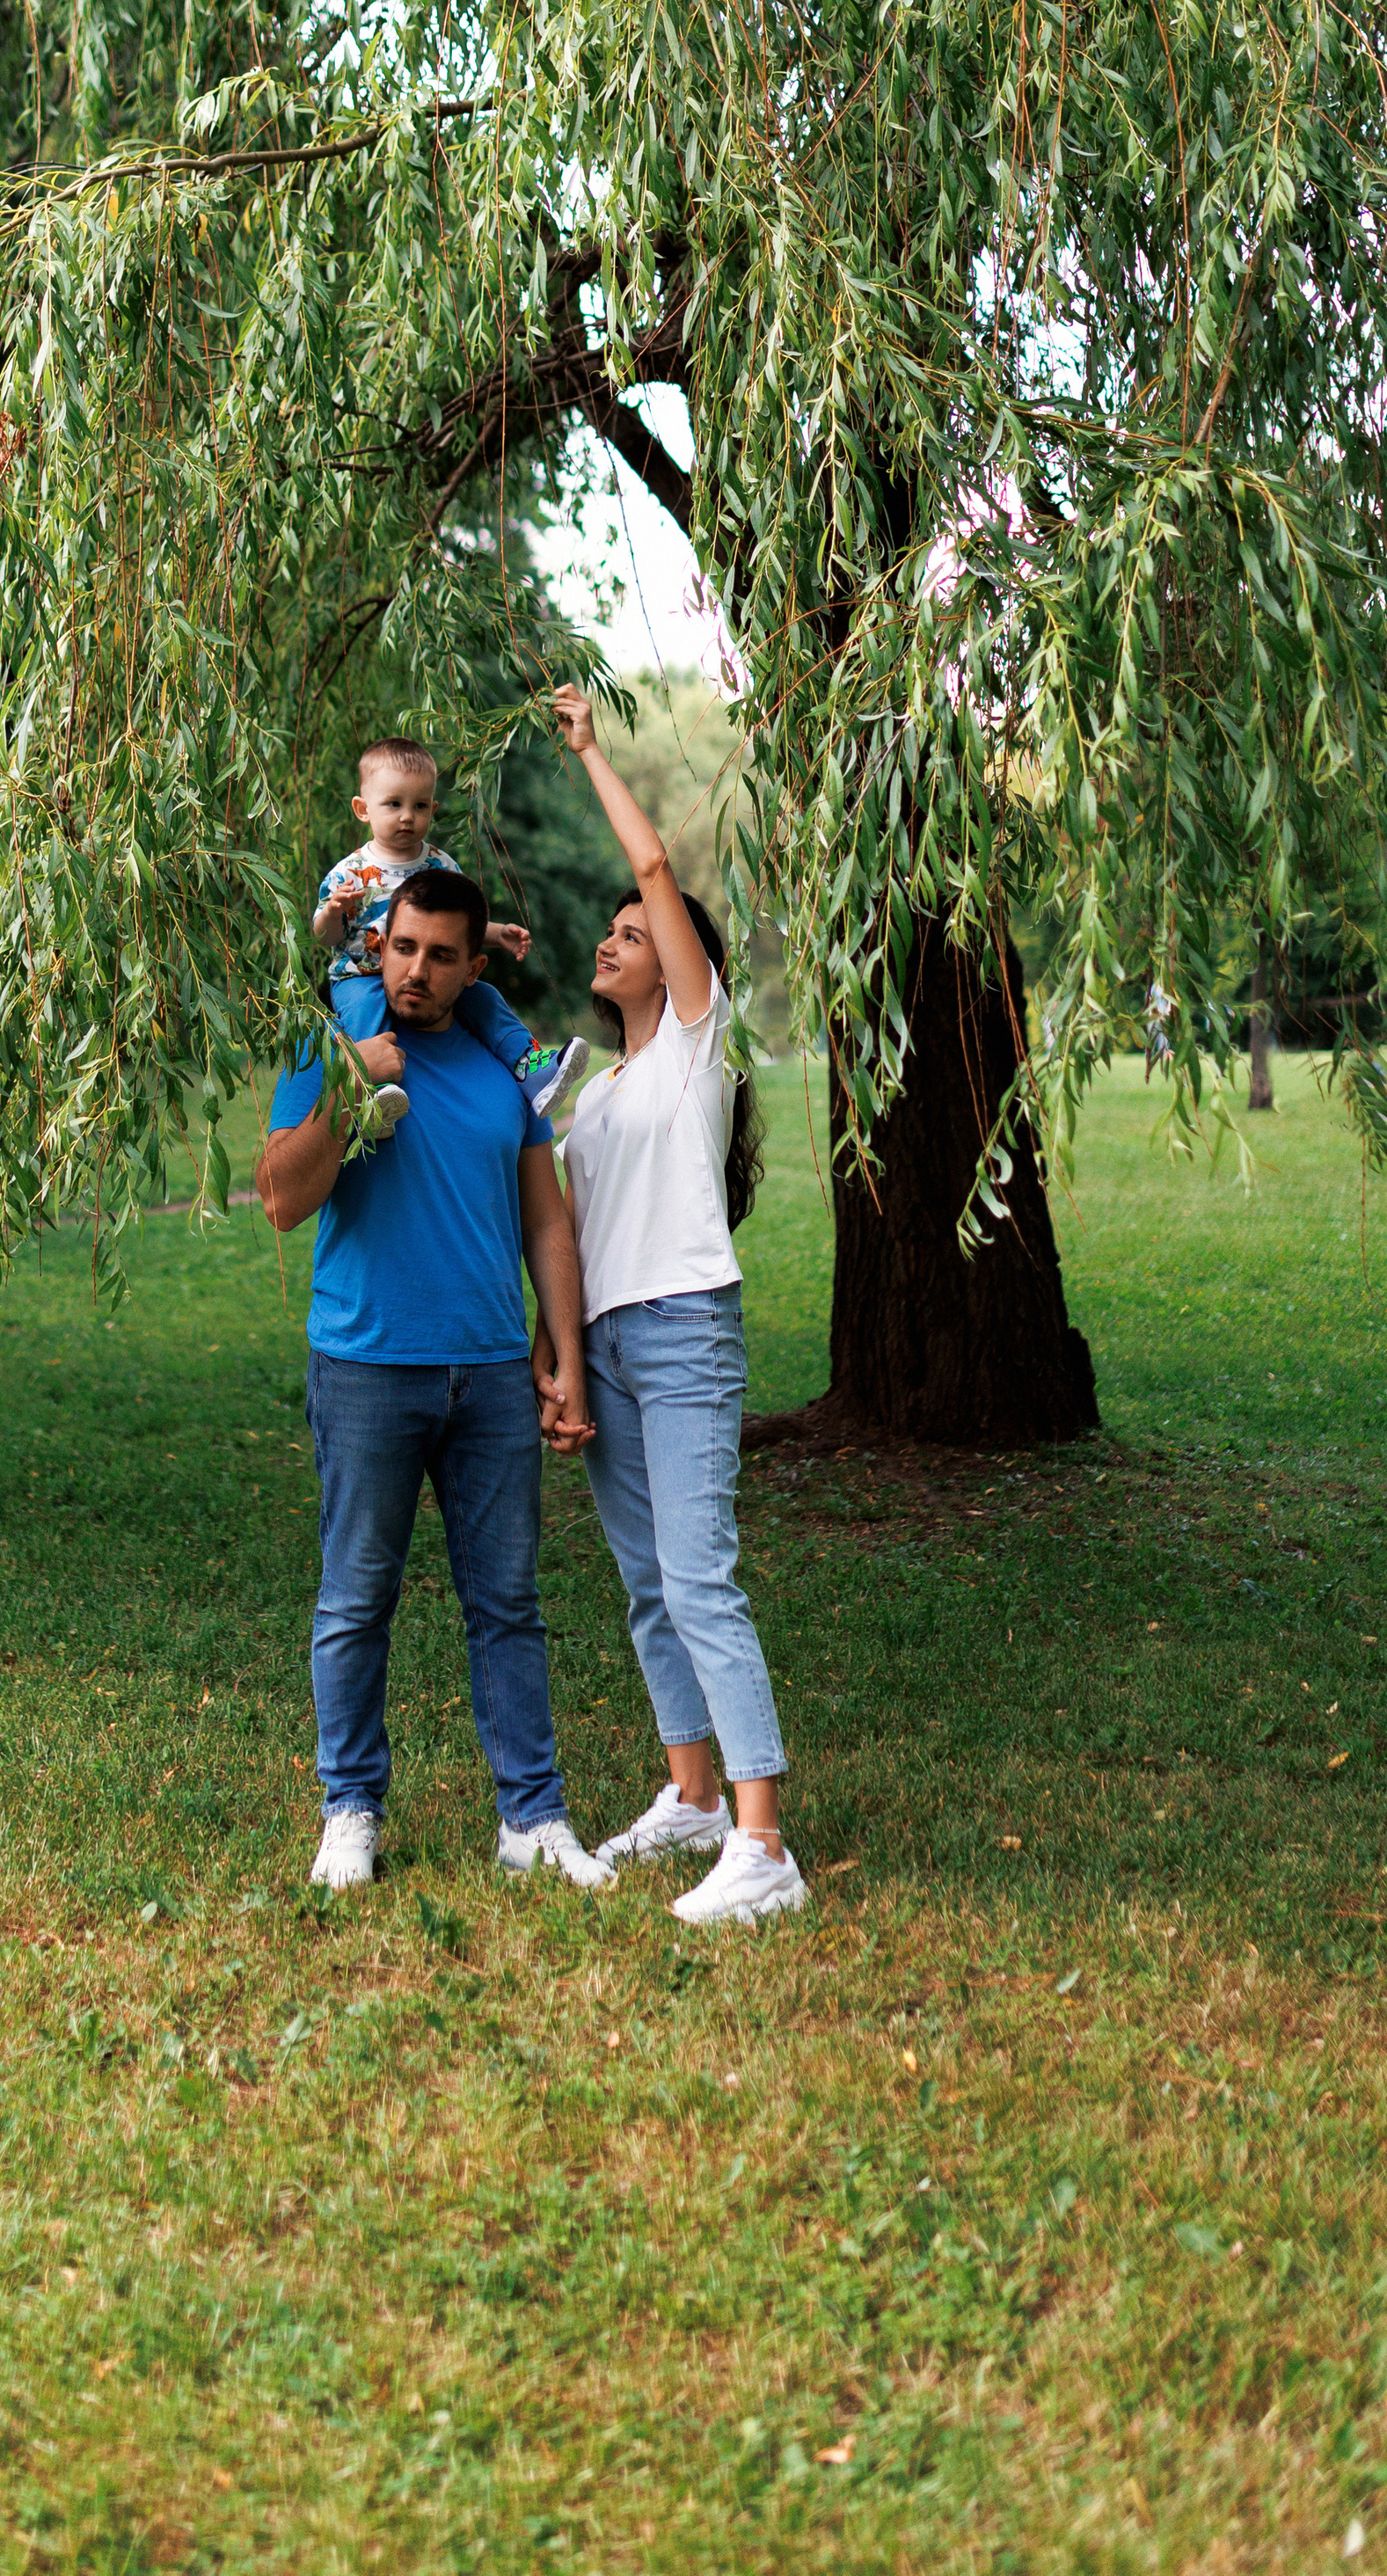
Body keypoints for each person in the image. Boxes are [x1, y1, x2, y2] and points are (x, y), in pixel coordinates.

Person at [259, 864, 615, 1896]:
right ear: (379, 945)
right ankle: (349, 1812)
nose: (416, 970)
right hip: (368, 1368)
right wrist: (351, 1088)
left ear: (472, 965)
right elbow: (281, 1200)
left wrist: (565, 1359)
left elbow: (545, 1218)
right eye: (402, 948)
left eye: (441, 956)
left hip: (493, 1374)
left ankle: (532, 1820)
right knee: (354, 1600)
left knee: (506, 1603)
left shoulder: (509, 1075)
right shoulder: (333, 1044)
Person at [533, 685, 807, 1927]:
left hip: (686, 1329)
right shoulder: (593, 1094)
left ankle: (763, 1847)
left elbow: (651, 859)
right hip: (606, 1340)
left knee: (700, 1576)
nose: (613, 937)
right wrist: (561, 1366)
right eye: (609, 931)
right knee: (647, 1582)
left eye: (631, 930)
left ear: (671, 952)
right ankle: (690, 1794)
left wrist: (591, 751)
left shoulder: (698, 1043)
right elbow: (564, 1243)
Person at [313, 736, 587, 1142]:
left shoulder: (440, 865)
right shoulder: (348, 873)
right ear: (362, 809)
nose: (407, 816)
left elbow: (458, 927)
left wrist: (497, 935)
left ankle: (531, 1068)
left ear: (433, 810)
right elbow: (326, 937)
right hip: (361, 974)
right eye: (394, 804)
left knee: (485, 998)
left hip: (424, 971)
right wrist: (333, 912)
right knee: (364, 1020)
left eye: (419, 806)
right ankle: (368, 1099)